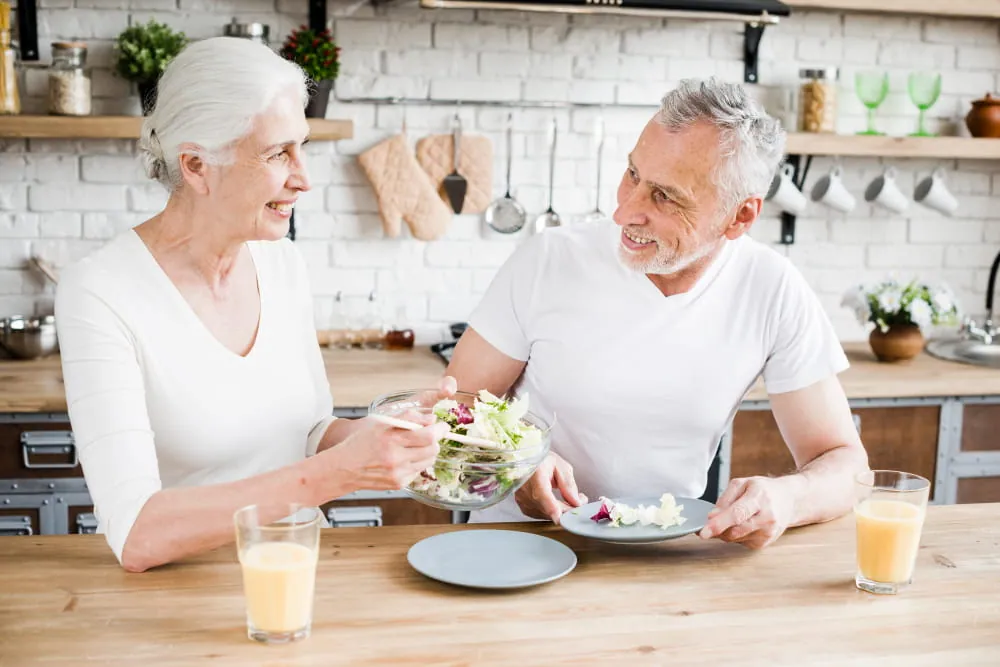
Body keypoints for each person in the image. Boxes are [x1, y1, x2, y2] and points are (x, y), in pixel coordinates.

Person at [55, 37, 452, 572]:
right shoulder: (100, 291)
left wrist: (386, 432)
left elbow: (309, 432)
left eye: (303, 146)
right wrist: (340, 473)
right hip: (180, 606)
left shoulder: (281, 264)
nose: (304, 178)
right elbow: (137, 534)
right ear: (196, 166)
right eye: (277, 153)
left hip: (297, 576)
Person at [446, 78, 869, 549]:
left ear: (741, 216)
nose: (625, 212)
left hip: (667, 560)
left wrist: (790, 497)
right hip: (519, 546)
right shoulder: (548, 260)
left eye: (665, 196)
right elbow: (449, 408)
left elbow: (846, 465)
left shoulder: (771, 288)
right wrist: (515, 462)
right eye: (632, 174)